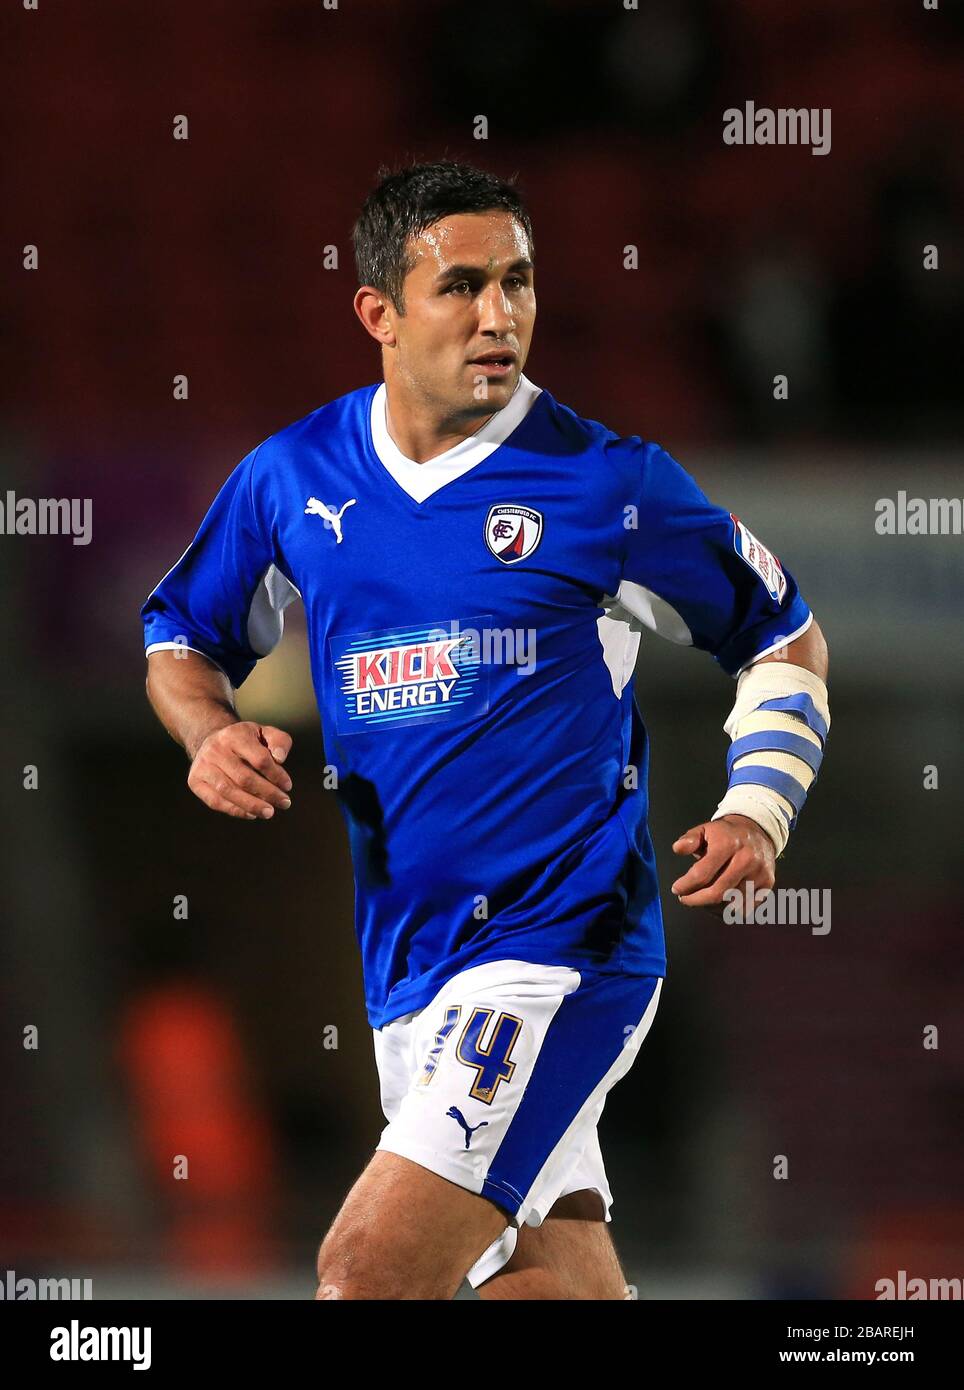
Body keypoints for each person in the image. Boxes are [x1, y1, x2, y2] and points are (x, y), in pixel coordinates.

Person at [141, 159, 830, 1300]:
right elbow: (179, 631)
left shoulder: (608, 484)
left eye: (517, 281)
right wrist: (208, 729)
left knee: (367, 1272)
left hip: (560, 949)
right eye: (461, 286)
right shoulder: (293, 478)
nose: (499, 314)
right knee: (548, 1288)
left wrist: (757, 805)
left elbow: (783, 638)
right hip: (407, 970)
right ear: (378, 312)